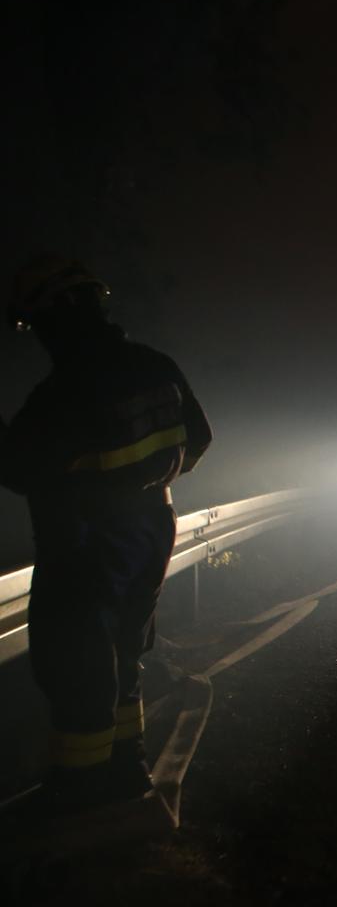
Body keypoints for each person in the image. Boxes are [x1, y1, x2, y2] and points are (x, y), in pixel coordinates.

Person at [0, 257, 212, 813]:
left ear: (58, 314)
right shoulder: (156, 366)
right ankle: (125, 768)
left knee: (75, 665)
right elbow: (199, 438)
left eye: (36, 323)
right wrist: (149, 478)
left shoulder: (65, 389)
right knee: (122, 651)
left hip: (85, 542)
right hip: (152, 528)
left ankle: (78, 790)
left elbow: (17, 467)